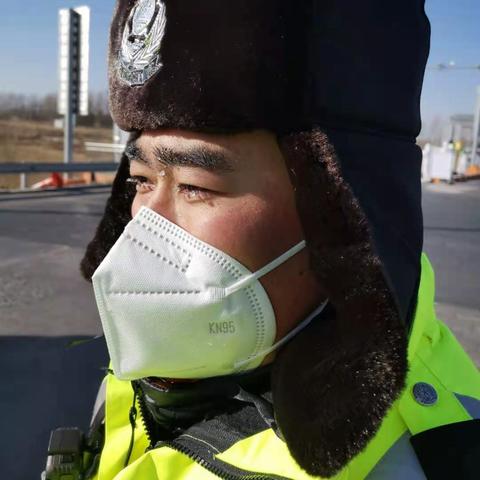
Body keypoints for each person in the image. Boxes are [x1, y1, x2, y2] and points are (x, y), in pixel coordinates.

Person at [52, 1, 480, 479]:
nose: (143, 227)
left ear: (341, 214)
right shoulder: (146, 375)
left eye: (195, 185)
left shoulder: (427, 460)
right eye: (140, 180)